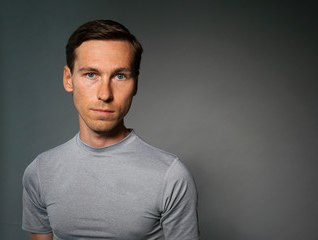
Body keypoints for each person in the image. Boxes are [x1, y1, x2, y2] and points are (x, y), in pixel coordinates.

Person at [22, 20, 199, 240]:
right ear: (69, 79)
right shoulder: (40, 172)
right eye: (91, 74)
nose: (105, 94)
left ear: (135, 84)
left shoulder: (171, 177)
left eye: (120, 76)